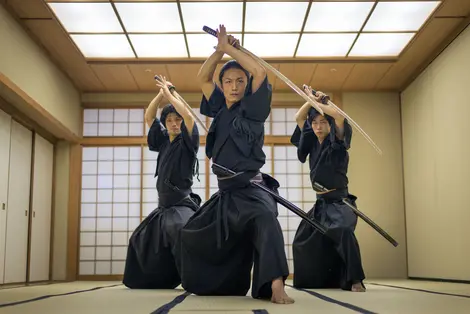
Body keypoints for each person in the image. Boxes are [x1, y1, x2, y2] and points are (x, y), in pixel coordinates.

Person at [177, 25, 294, 304]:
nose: (233, 86)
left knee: (267, 220)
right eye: (228, 81)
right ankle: (220, 283)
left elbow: (261, 72)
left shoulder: (253, 108)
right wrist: (219, 51)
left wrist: (232, 50)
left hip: (251, 189)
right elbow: (203, 76)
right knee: (191, 232)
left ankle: (276, 284)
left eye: (240, 81)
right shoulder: (218, 106)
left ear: (246, 84)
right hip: (226, 193)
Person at [122, 78, 201, 289]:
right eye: (169, 121)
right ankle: (157, 280)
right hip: (163, 207)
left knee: (182, 232)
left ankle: (193, 280)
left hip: (181, 204)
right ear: (165, 124)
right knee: (139, 238)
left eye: (177, 120)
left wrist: (171, 96)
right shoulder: (164, 141)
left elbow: (189, 117)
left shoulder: (188, 141)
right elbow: (149, 117)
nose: (175, 123)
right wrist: (160, 95)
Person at [290, 86, 366, 292]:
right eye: (314, 122)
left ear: (330, 125)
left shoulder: (338, 143)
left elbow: (340, 116)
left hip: (340, 203)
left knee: (343, 232)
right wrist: (310, 99)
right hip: (321, 204)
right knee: (302, 239)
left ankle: (355, 279)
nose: (318, 126)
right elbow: (299, 116)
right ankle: (318, 281)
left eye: (323, 122)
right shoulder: (312, 143)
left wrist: (322, 103)